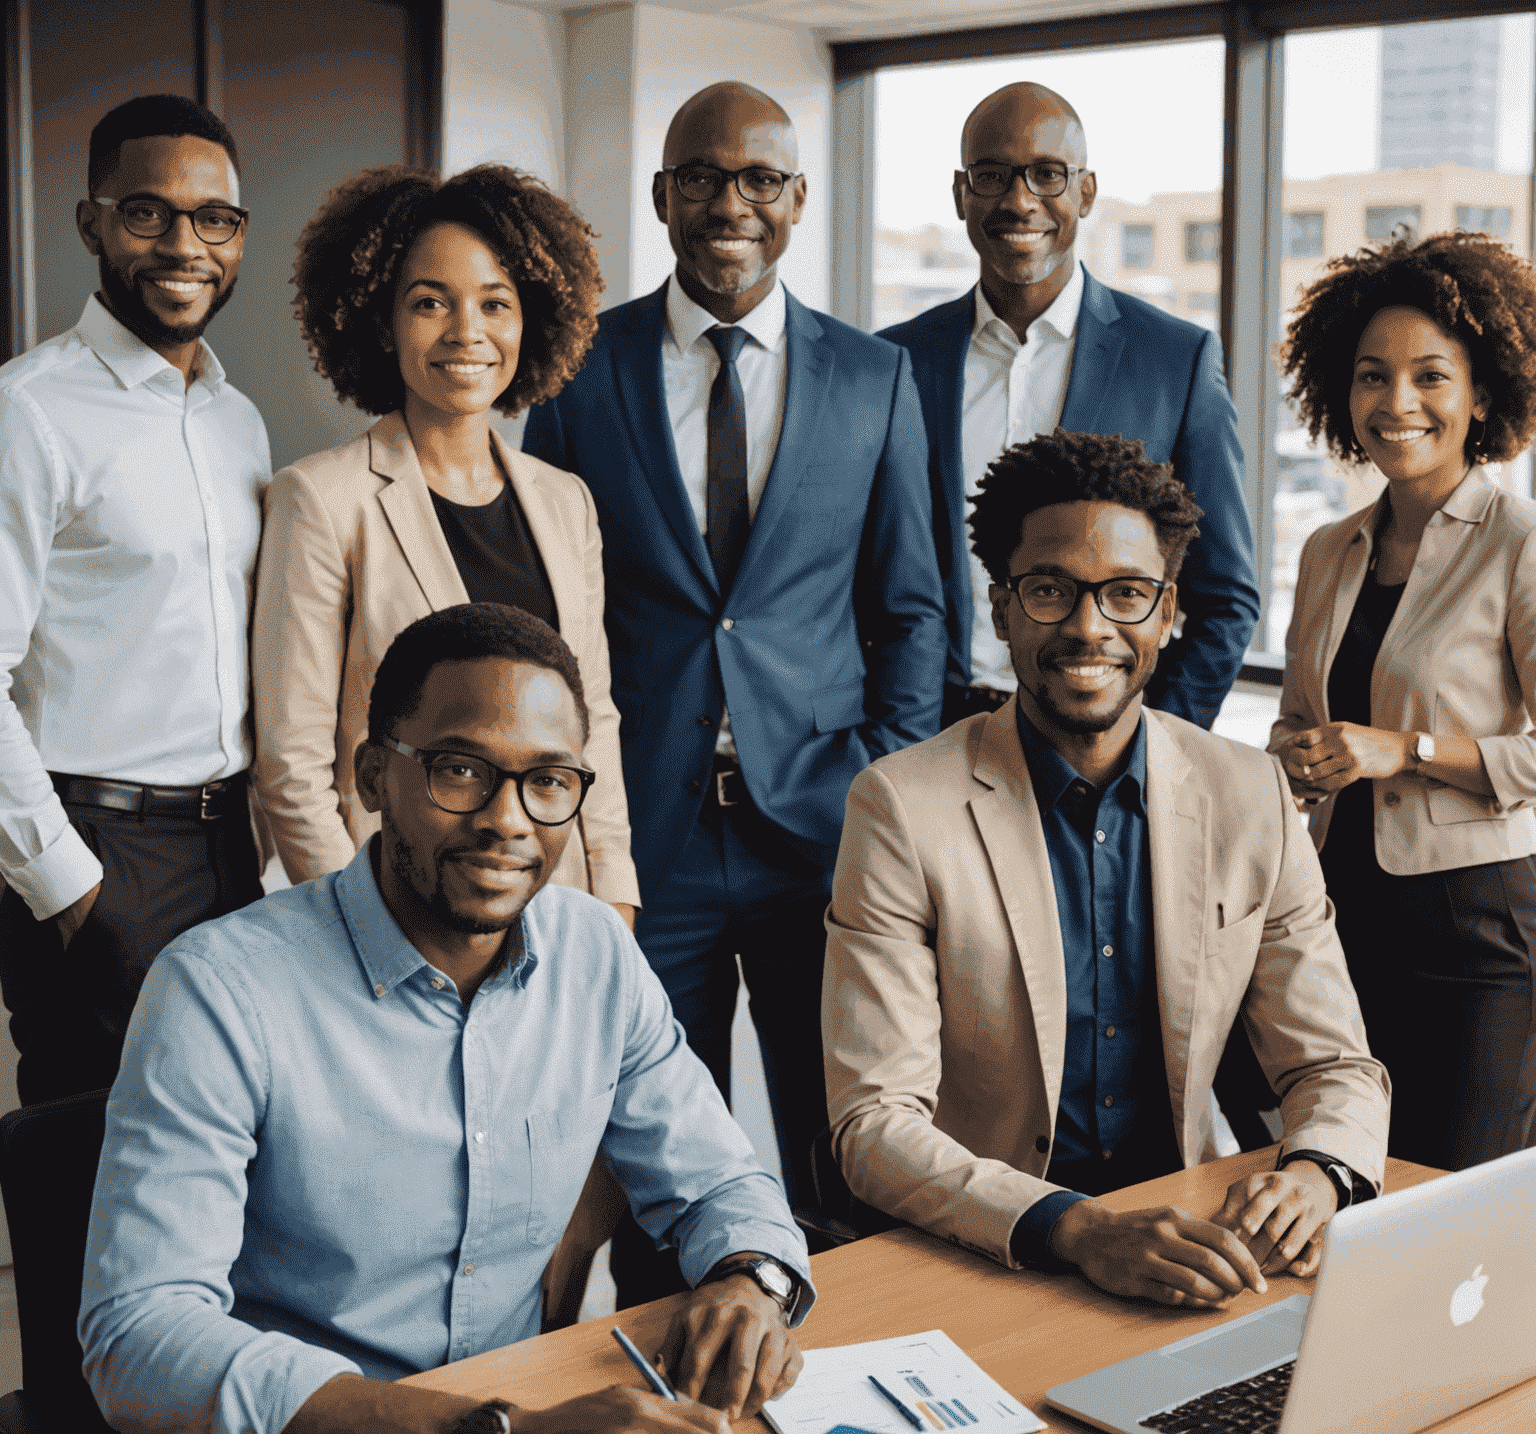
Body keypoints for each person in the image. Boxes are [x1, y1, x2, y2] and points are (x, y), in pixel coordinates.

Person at [81, 604, 812, 1434]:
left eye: (548, 781)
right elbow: (139, 1340)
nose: (507, 821)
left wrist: (752, 1278)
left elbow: (721, 1181)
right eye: (461, 771)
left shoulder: (595, 953)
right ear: (374, 775)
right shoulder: (218, 991)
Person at [521, 81, 946, 1301]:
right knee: (659, 1137)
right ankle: (662, 1391)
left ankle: (862, 1360)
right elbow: (551, 609)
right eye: (702, 176)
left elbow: (911, 607)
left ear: (798, 201)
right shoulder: (576, 375)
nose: (730, 202)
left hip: (822, 828)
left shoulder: (872, 379)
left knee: (847, 1133)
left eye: (761, 179)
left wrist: (880, 776)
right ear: (661, 197)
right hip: (644, 826)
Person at [822, 431, 1389, 1309]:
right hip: (994, 1249)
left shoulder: (1250, 795)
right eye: (1050, 591)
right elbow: (873, 1125)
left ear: (1168, 613)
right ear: (1003, 609)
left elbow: (1335, 1067)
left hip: (1198, 1237)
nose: (1089, 627)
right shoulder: (899, 806)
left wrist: (1317, 1172)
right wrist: (1077, 1228)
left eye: (1126, 594)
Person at [253, 163, 638, 920]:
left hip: (552, 908)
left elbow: (594, 715)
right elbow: (291, 766)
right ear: (381, 320)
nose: (468, 332)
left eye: (495, 303)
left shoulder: (566, 503)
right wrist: (352, 931)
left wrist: (613, 894)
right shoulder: (322, 501)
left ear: (531, 321)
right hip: (395, 905)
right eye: (430, 303)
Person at [0, 94, 268, 1105]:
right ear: (92, 225)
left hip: (230, 852)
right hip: (101, 844)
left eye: (215, 219)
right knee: (91, 1173)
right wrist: (68, 887)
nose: (184, 244)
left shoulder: (237, 421)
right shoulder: (29, 413)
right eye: (147, 213)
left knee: (222, 1166)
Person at [1271, 232, 1536, 1172]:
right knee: (1353, 1177)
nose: (1398, 404)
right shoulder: (1327, 548)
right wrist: (1293, 757)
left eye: (1431, 377)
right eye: (1372, 377)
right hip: (1339, 912)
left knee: (1464, 1194)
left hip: (1475, 925)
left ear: (1481, 394)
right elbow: (1303, 718)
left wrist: (1407, 751)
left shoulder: (1517, 542)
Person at [880, 83, 1259, 733]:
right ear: (961, 194)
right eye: (992, 175)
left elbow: (1226, 597)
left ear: (1085, 192)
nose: (1019, 199)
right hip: (930, 733)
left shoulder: (1175, 360)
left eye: (1047, 174)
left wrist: (1151, 738)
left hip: (1103, 732)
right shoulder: (895, 361)